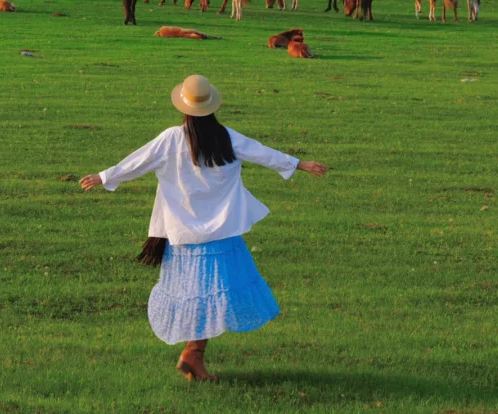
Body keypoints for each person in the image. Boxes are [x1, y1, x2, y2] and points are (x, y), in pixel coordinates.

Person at [80, 73, 327, 381]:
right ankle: (192, 354)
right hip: (221, 235)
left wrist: (105, 176)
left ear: (184, 107)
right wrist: (298, 163)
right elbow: (261, 151)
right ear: (212, 107)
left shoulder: (172, 138)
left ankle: (194, 356)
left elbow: (139, 161)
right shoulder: (225, 137)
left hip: (183, 235)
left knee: (199, 295)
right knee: (209, 296)